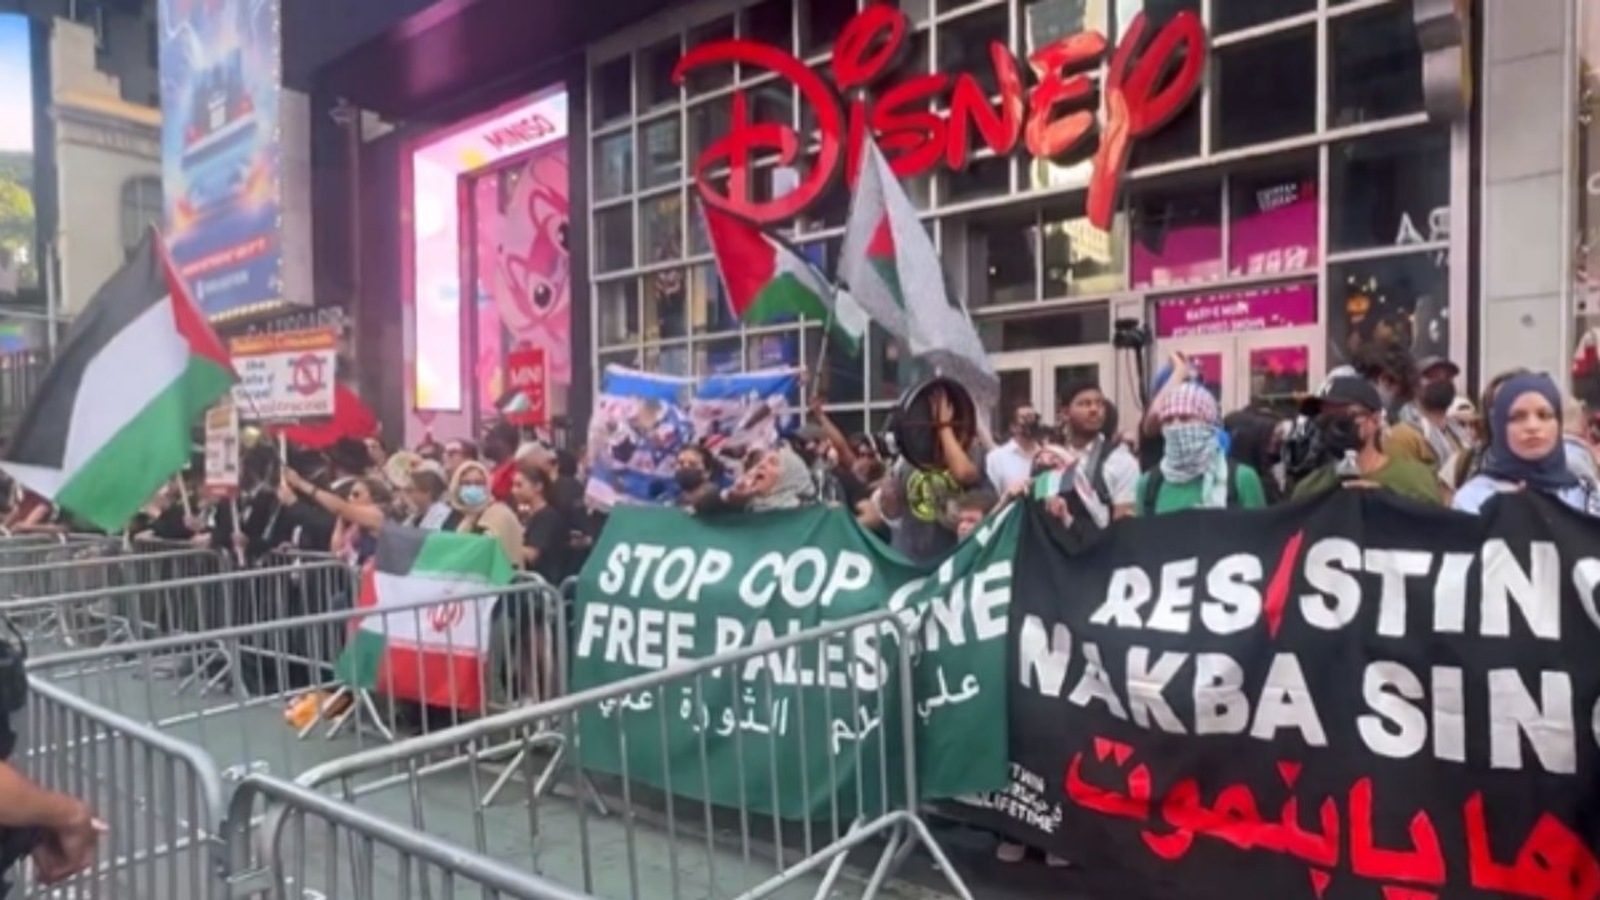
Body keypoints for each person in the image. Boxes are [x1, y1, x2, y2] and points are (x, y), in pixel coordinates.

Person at [1454, 373, 1600, 515]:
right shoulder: (1473, 497)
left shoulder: (1584, 496)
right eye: (1518, 417)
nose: (1532, 426)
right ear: (1499, 424)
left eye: (1544, 415)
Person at [1291, 377, 1443, 505]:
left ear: (1375, 420)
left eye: (1348, 414)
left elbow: (1435, 531)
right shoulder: (1309, 488)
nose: (1334, 424)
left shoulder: (1414, 480)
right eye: (1325, 417)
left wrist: (1386, 500)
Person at [1136, 383, 1266, 515]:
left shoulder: (1240, 479)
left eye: (1185, 418)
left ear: (1209, 425)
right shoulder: (1148, 485)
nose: (1175, 426)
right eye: (1168, 420)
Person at [1057, 380, 1139, 519]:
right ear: (1065, 413)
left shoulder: (1121, 461)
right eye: (1085, 404)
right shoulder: (1053, 458)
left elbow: (1125, 522)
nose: (1094, 409)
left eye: (1099, 404)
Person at [1350, 342, 1438, 470]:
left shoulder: (1334, 399)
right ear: (1384, 380)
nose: (1394, 403)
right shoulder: (1356, 416)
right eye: (1398, 395)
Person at [447, 461, 523, 562]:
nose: (472, 488)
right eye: (466, 483)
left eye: (478, 483)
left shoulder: (499, 514)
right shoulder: (454, 516)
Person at [512, 461, 570, 584]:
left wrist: (505, 543)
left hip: (542, 587)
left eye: (519, 485)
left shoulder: (547, 517)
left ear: (538, 486)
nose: (514, 491)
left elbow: (532, 555)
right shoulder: (527, 516)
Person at [1411, 356, 1473, 469]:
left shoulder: (1460, 431)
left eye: (1448, 378)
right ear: (1414, 385)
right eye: (1432, 376)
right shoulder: (1408, 431)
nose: (1441, 382)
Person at [986, 403, 1046, 494]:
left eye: (1032, 417)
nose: (1030, 422)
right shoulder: (997, 457)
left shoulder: (1047, 455)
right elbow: (992, 497)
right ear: (1013, 427)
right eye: (1025, 418)